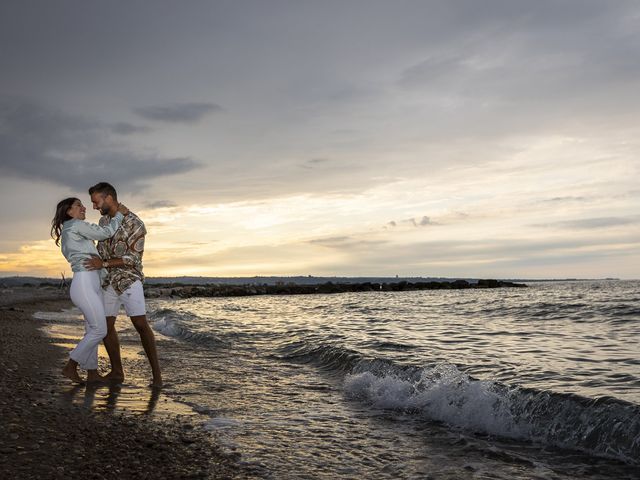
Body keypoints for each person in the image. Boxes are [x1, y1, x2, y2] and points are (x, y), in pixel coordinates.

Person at [83, 182, 163, 387]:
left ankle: (157, 377)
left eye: (96, 201)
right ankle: (117, 372)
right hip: (108, 281)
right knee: (106, 327)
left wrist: (104, 263)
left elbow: (133, 259)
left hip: (129, 280)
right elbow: (100, 250)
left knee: (140, 325)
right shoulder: (103, 221)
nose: (93, 206)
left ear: (108, 198)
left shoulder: (135, 223)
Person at [51, 197, 128, 383]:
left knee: (91, 328)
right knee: (100, 330)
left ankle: (92, 373)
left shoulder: (70, 230)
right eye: (79, 205)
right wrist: (119, 215)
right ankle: (71, 366)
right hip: (85, 283)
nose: (84, 207)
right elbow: (105, 232)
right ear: (69, 212)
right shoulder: (75, 225)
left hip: (90, 283)